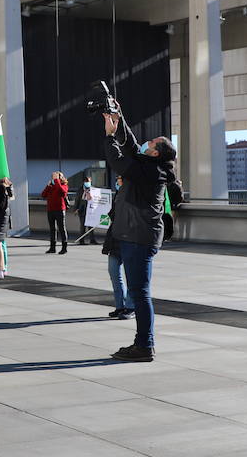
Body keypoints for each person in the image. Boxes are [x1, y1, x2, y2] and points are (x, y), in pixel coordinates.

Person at [103, 113, 183, 362]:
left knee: (140, 293)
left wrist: (108, 136)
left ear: (156, 153)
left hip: (139, 238)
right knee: (140, 292)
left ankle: (145, 345)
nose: (146, 143)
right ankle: (142, 344)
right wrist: (119, 119)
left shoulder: (151, 172)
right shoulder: (150, 166)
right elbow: (130, 144)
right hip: (134, 235)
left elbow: (119, 160)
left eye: (151, 143)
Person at [41, 171, 70, 254]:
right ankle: (52, 247)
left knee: (62, 228)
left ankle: (64, 247)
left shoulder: (63, 185)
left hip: (60, 210)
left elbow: (63, 192)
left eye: (56, 176)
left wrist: (57, 181)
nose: (54, 178)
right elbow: (43, 195)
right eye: (53, 177)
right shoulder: (51, 186)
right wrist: (48, 186)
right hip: (50, 210)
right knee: (52, 229)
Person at [76, 177, 99, 244]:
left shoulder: (93, 189)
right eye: (86, 182)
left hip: (91, 210)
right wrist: (76, 209)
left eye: (89, 181)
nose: (87, 183)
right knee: (83, 226)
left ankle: (92, 240)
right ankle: (81, 240)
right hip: (82, 210)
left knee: (91, 226)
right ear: (83, 182)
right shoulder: (80, 189)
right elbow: (77, 200)